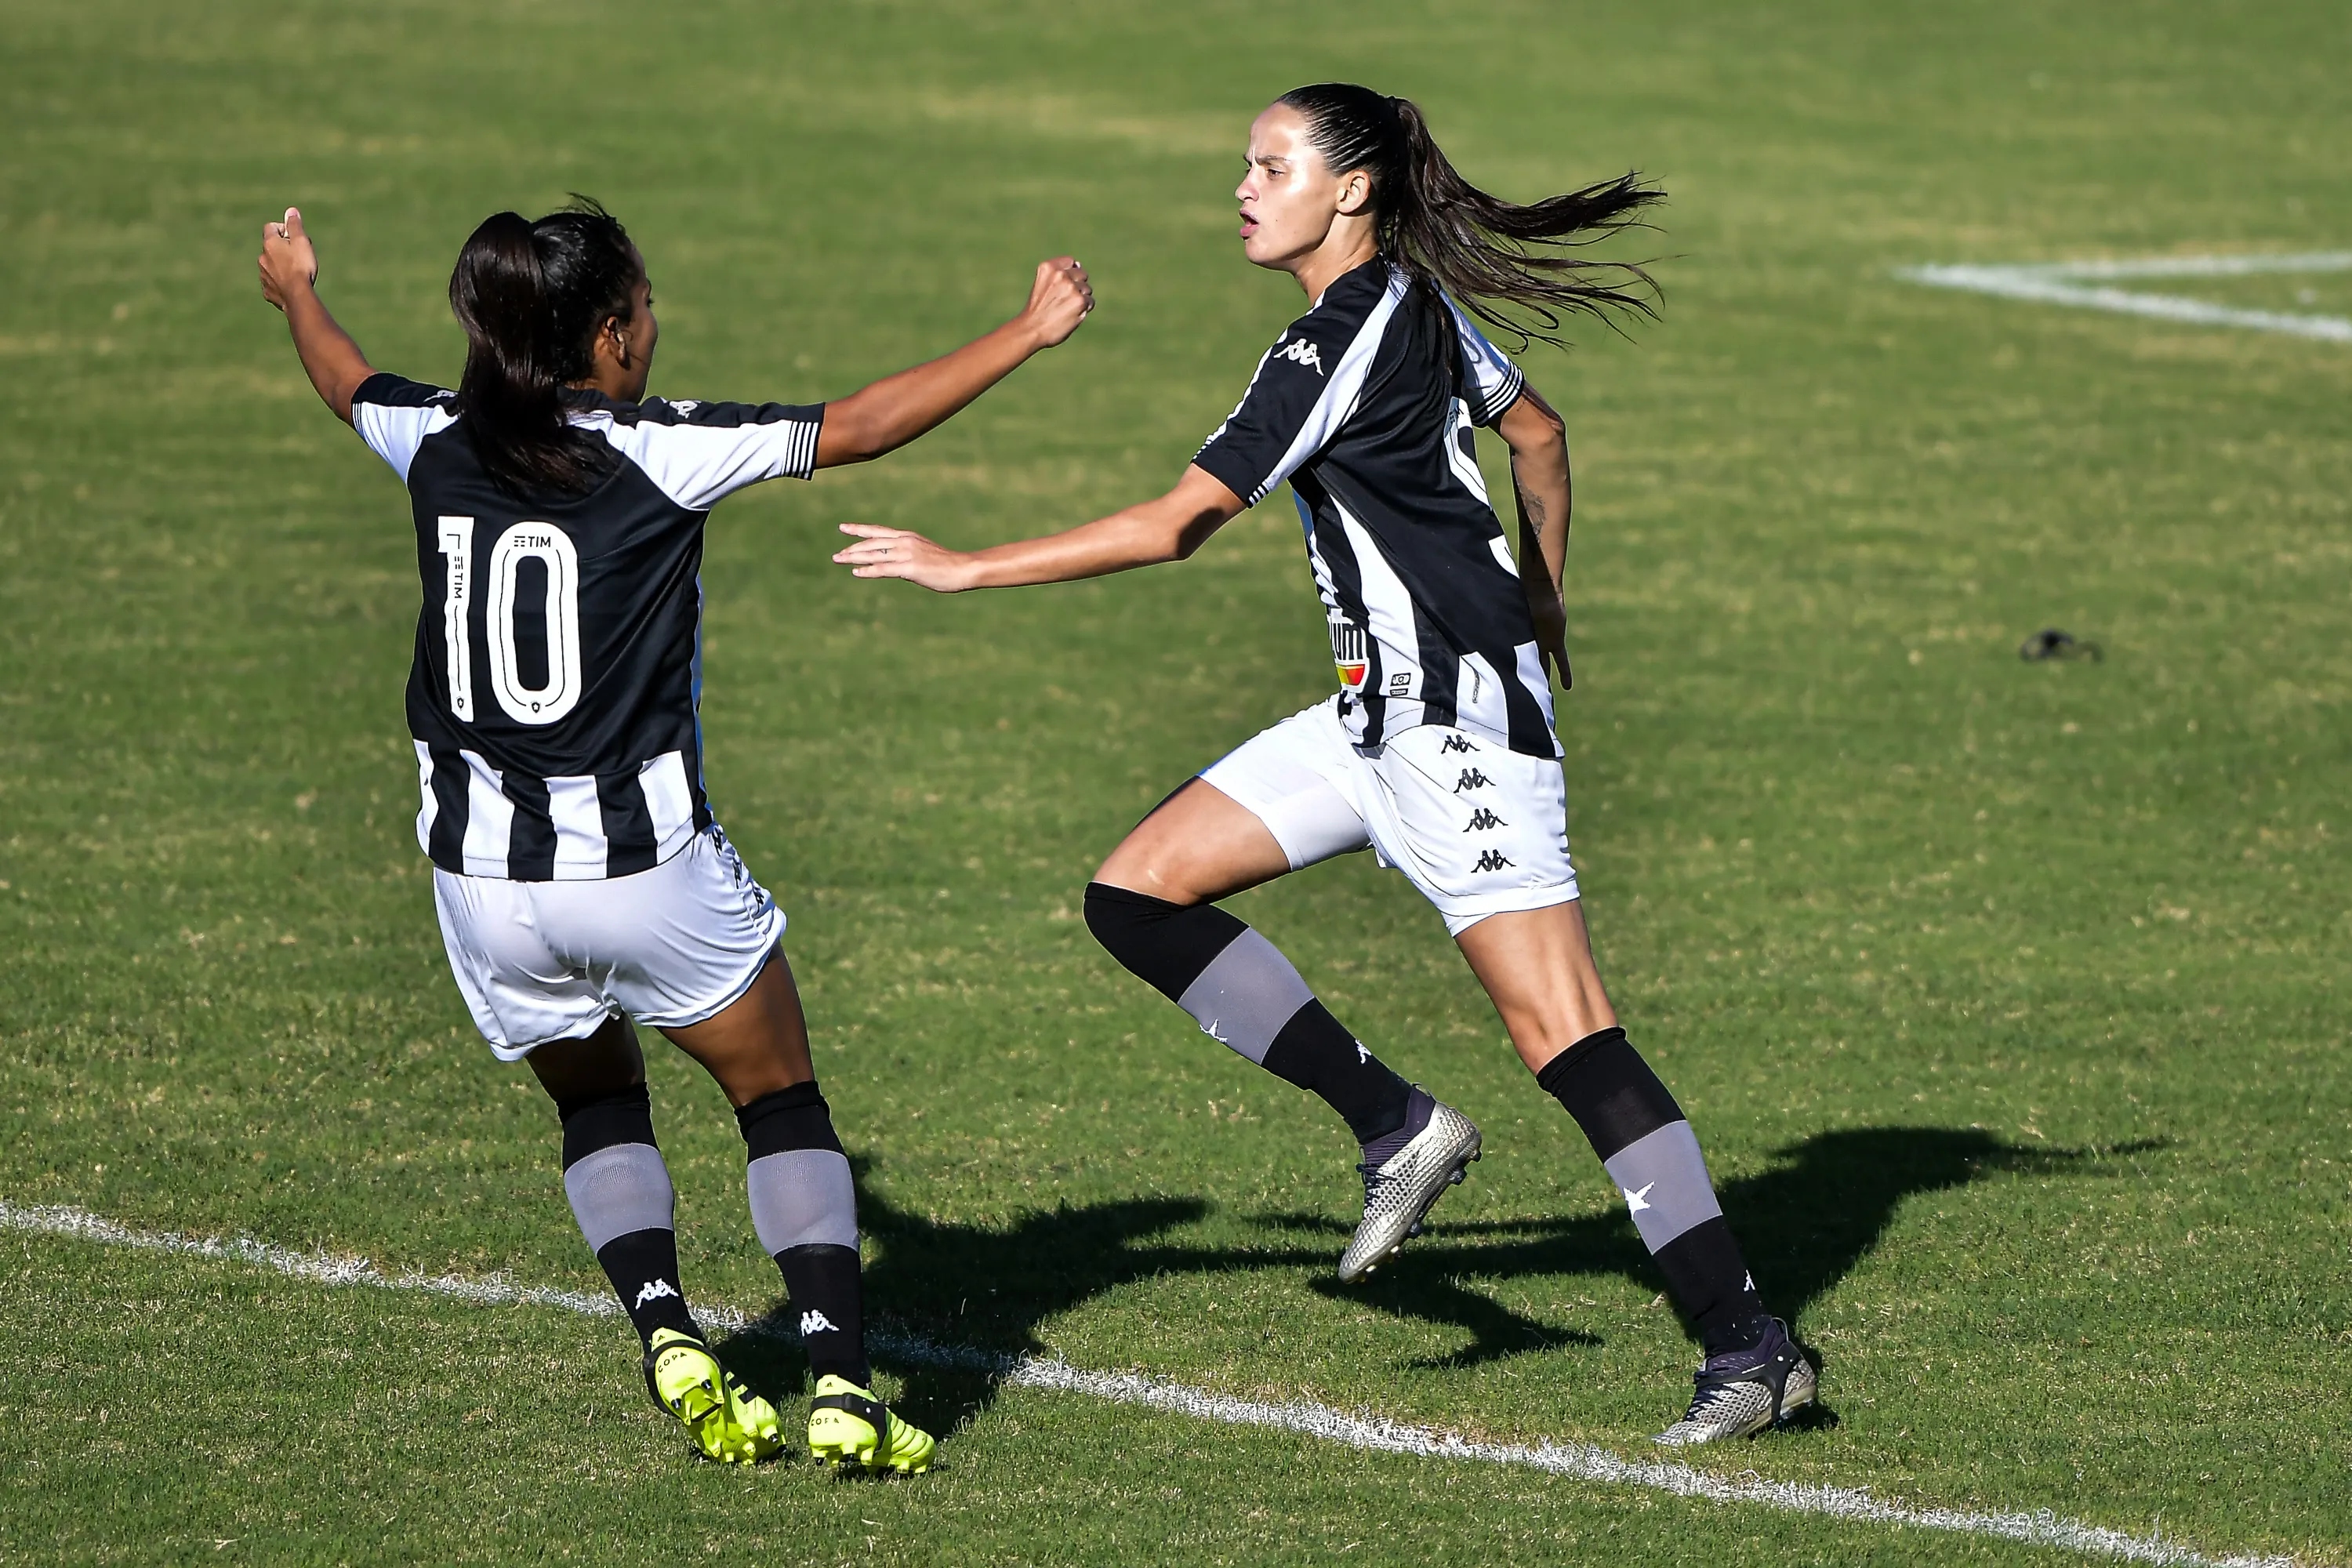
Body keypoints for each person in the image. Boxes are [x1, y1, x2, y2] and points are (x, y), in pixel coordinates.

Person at [831, 85, 1815, 1445]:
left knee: (1568, 1036)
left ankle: (1750, 1344)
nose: (1241, 187)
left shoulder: (1334, 341)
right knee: (1138, 893)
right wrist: (1546, 597)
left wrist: (965, 564)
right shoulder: (1420, 303)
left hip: (1460, 740)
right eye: (1244, 162)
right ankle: (1395, 1127)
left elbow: (1179, 524)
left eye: (1268, 165)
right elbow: (1540, 435)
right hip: (1370, 720)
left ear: (1346, 191)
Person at [256, 198, 1092, 1472]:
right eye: (643, 310)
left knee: (598, 1103)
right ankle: (842, 1385)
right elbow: (857, 426)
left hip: (482, 888)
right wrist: (1024, 333)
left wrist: (298, 287)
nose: (657, 327)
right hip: (646, 873)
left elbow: (337, 372)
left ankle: (663, 1327)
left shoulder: (428, 432)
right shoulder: (662, 448)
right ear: (604, 338)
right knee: (778, 1097)